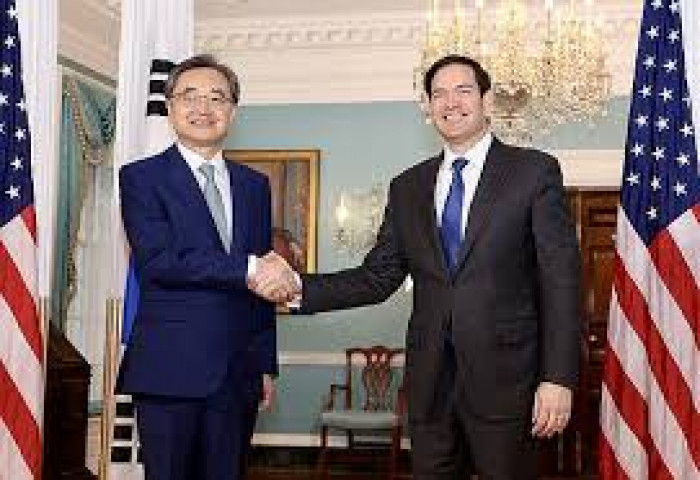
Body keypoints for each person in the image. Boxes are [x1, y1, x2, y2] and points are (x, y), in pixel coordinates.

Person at [252, 54, 582, 480]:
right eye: (438, 94)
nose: (451, 102)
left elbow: (561, 281)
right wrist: (297, 286)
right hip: (430, 386)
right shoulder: (408, 186)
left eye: (463, 90)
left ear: (487, 101)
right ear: (428, 107)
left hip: (509, 384)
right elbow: (377, 277)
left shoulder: (533, 172)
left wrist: (558, 378)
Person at [117, 54, 290, 480]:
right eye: (189, 97)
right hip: (169, 370)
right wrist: (249, 267)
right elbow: (159, 261)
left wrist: (264, 364)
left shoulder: (254, 186)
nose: (203, 108)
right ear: (170, 107)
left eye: (217, 98)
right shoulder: (141, 177)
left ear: (232, 110)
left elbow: (260, 286)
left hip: (238, 373)